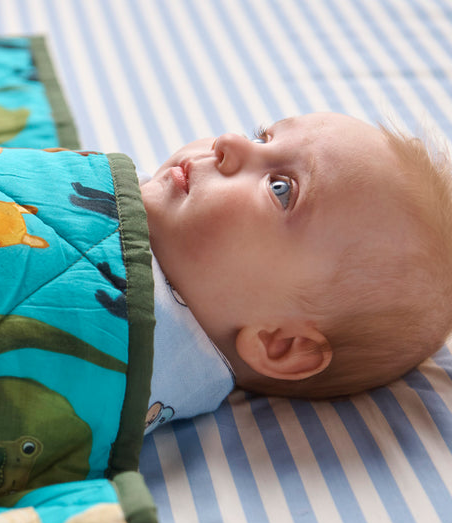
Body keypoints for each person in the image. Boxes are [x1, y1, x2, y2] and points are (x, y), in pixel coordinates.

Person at [141, 112, 452, 412]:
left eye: (281, 189)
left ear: (279, 342)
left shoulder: (130, 366)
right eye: (261, 139)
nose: (229, 141)